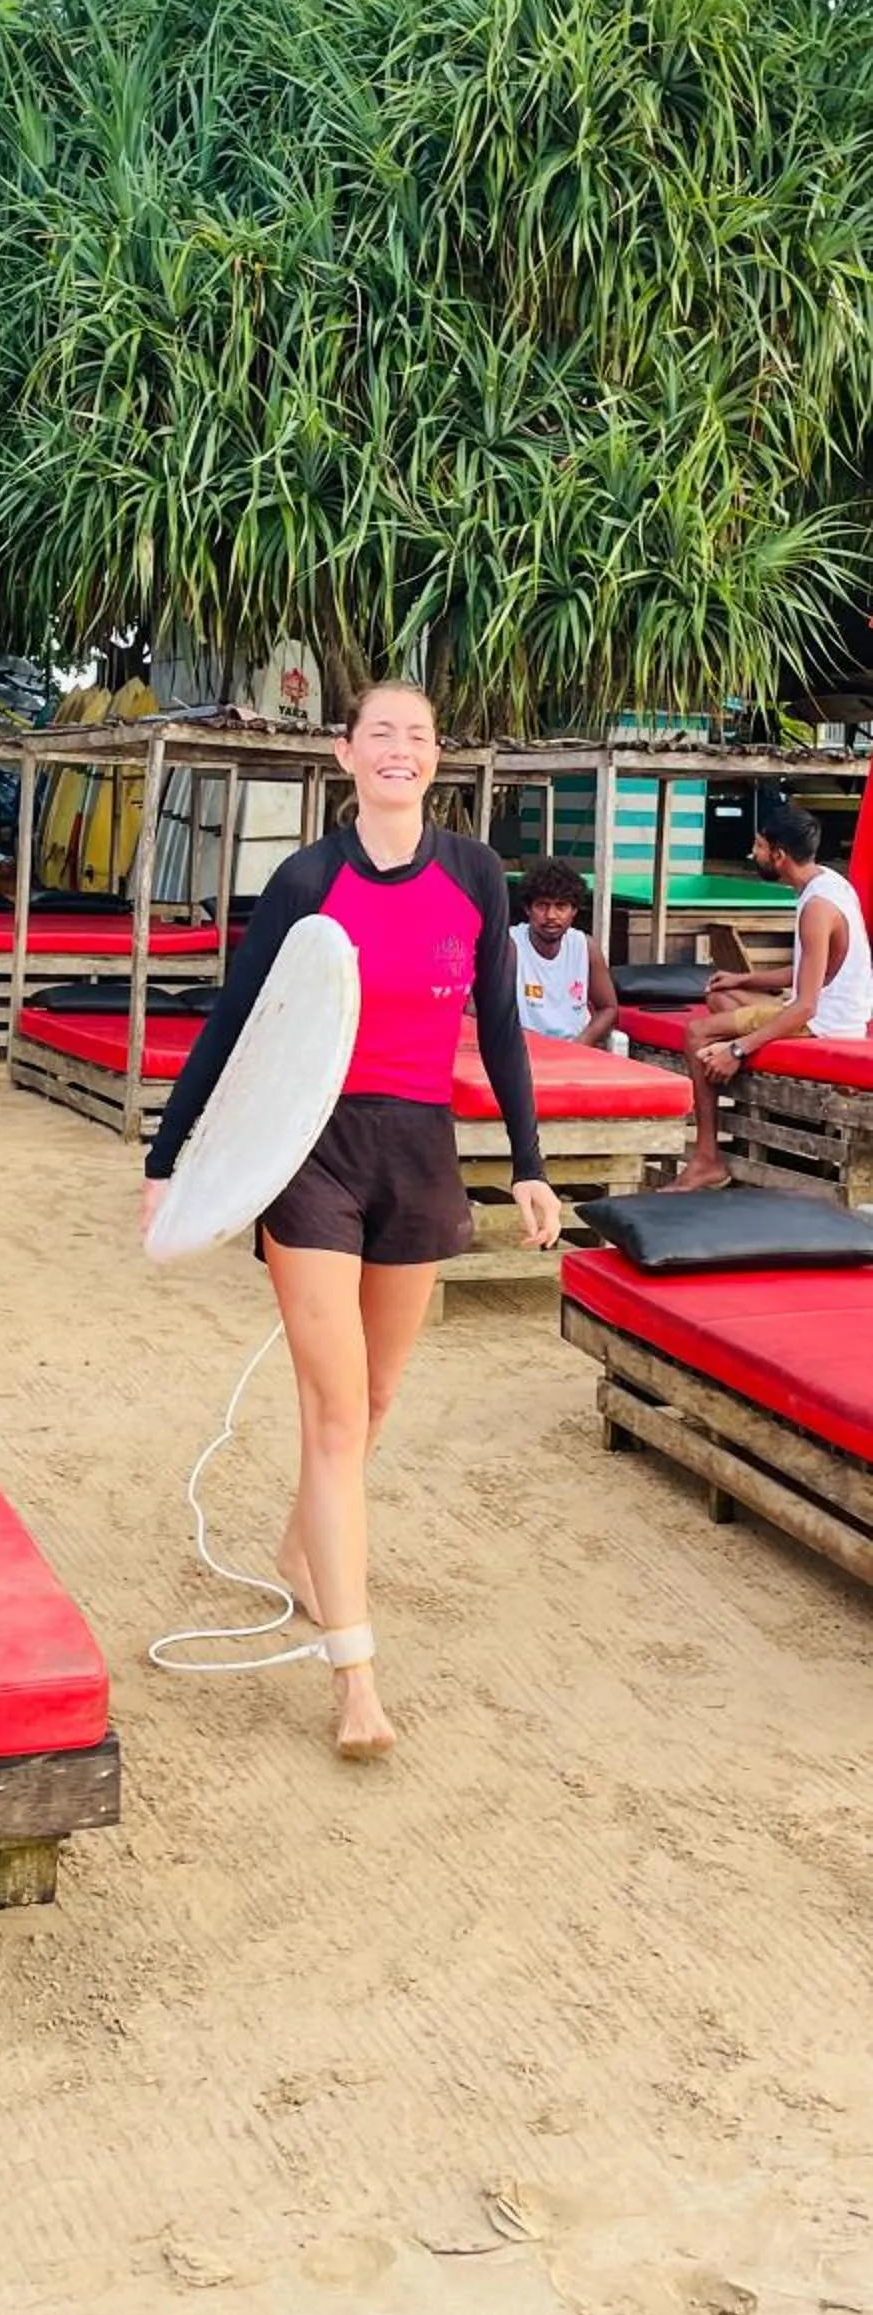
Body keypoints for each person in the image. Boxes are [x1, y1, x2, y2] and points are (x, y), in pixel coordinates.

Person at [142, 681, 562, 1764]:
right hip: (311, 1154)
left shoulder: (476, 875)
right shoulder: (305, 879)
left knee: (375, 1396)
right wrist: (166, 1160)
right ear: (346, 754)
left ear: (437, 757)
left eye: (417, 736)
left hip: (419, 1154)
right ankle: (354, 1679)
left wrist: (528, 1166)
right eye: (381, 733)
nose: (399, 750)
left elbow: (500, 1028)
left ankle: (302, 1546)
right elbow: (235, 1022)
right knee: (333, 1414)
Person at [666, 803, 873, 1192]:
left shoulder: (817, 908)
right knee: (723, 998)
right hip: (825, 1010)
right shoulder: (828, 881)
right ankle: (733, 1054)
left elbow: (806, 1006)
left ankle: (707, 1159)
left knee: (696, 1034)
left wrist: (737, 1050)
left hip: (824, 1024)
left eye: (759, 846)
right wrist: (744, 978)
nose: (753, 853)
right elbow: (810, 969)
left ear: (779, 855)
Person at [511, 858, 618, 1046]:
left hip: (575, 1051)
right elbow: (477, 1008)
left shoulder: (586, 947)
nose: (551, 916)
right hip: (523, 1050)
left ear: (574, 910)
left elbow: (608, 1008)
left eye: (561, 906)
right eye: (542, 906)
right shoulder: (509, 945)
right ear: (528, 909)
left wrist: (581, 1044)